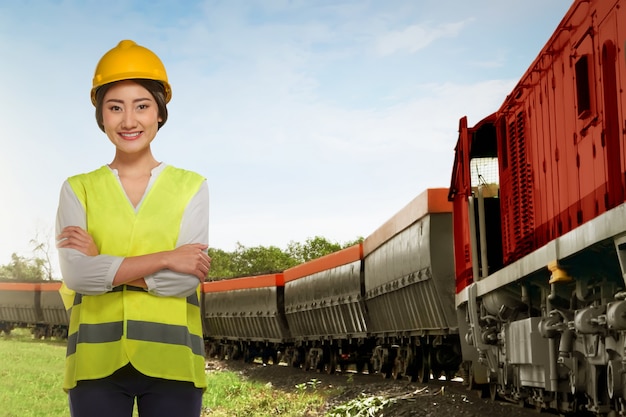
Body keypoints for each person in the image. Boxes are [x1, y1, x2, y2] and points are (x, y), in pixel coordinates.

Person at [55, 39, 210, 417]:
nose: (129, 121)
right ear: (101, 116)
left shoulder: (192, 187)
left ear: (160, 113)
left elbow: (185, 282)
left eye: (142, 106)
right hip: (95, 363)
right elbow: (77, 274)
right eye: (115, 107)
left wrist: (105, 265)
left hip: (173, 361)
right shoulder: (78, 188)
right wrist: (166, 258)